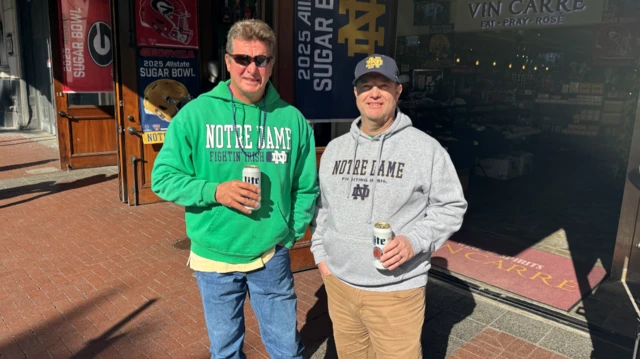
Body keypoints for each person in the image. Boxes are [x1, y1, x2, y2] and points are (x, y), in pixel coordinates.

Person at [151, 19, 318, 359]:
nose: (252, 68)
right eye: (243, 59)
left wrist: (290, 233)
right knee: (225, 350)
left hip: (271, 254)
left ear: (271, 64)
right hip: (214, 256)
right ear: (227, 62)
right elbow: (163, 178)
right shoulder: (195, 115)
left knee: (287, 349)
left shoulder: (293, 120)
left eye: (261, 60)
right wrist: (215, 191)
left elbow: (306, 186)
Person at [310, 54, 467, 359]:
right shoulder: (335, 150)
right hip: (340, 286)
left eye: (383, 85)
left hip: (396, 291)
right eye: (366, 85)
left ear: (398, 92)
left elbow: (451, 206)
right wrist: (321, 257)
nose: (374, 93)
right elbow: (323, 209)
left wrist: (414, 242)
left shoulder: (426, 149)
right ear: (355, 94)